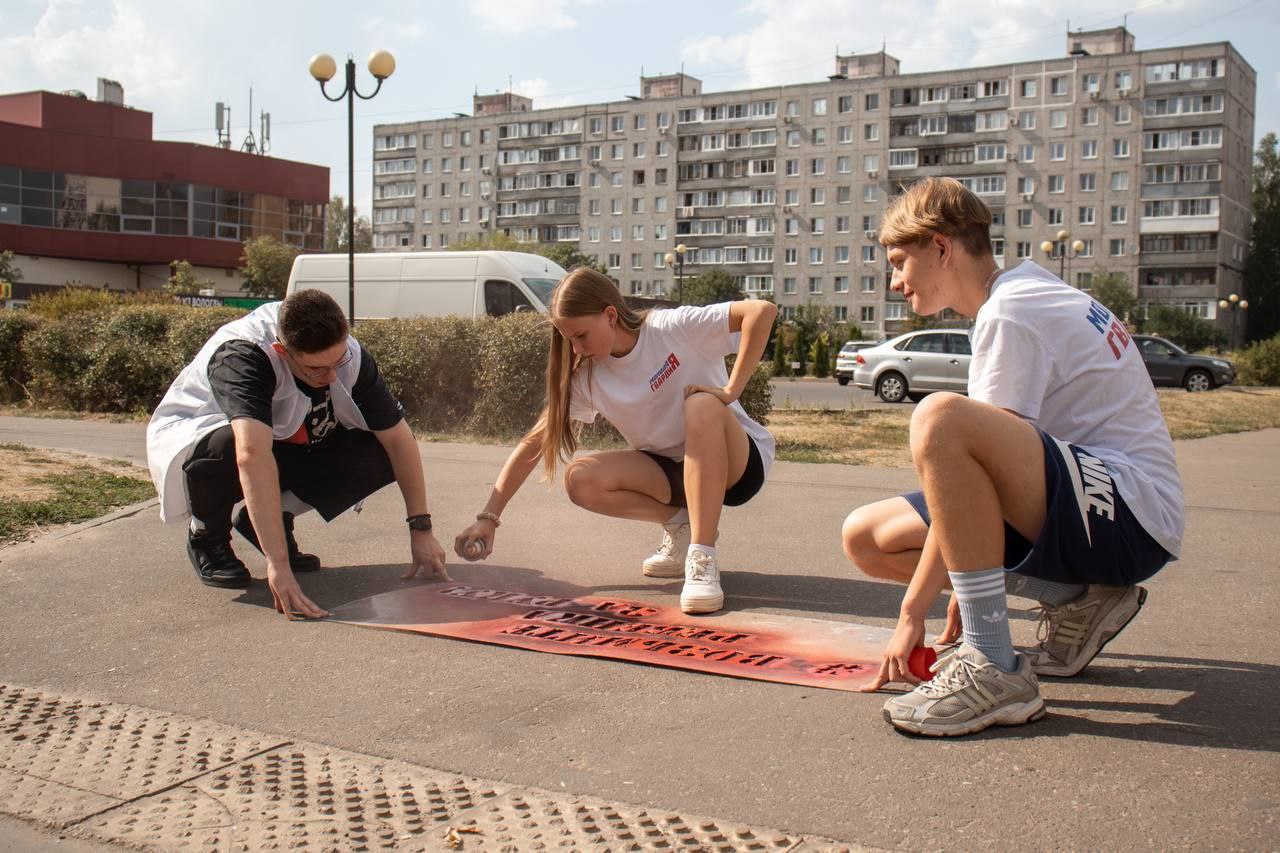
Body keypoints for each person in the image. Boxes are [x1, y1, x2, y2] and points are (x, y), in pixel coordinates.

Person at [842, 177, 1183, 736]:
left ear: (942, 248)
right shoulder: (1024, 290)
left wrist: (917, 612)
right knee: (867, 537)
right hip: (1100, 505)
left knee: (940, 417)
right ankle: (1080, 602)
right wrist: (968, 574)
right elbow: (981, 490)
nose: (895, 280)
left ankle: (992, 665)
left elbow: (975, 465)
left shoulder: (1012, 312)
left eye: (900, 260)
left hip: (1130, 518)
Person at [452, 267, 777, 615]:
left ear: (610, 315)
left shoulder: (670, 327)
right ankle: (681, 524)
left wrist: (731, 390)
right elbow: (534, 443)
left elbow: (761, 311)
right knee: (580, 478)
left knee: (699, 404)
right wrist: (489, 517)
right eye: (569, 340)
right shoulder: (589, 377)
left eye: (581, 336)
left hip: (737, 467)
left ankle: (702, 557)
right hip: (675, 475)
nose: (576, 348)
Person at [146, 289, 449, 619]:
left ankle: (265, 517)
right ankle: (207, 536)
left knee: (377, 451)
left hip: (284, 436)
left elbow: (399, 439)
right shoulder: (243, 356)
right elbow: (252, 454)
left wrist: (422, 531)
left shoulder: (350, 354)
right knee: (226, 446)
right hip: (210, 438)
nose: (332, 376)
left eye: (338, 362)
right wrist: (277, 565)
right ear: (282, 351)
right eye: (316, 369)